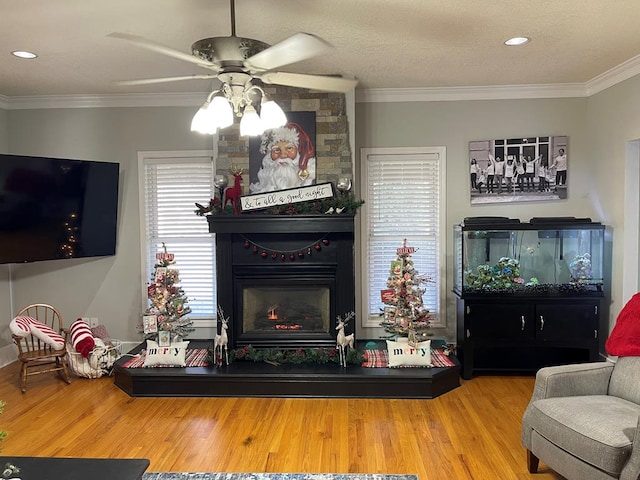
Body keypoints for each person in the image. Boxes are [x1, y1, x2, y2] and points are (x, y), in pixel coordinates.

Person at [249, 122, 317, 194]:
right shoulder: (262, 189)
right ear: (269, 155)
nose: (283, 155)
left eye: (289, 148)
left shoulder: (310, 178)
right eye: (277, 150)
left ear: (297, 151)